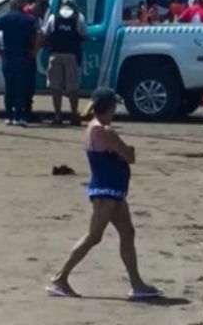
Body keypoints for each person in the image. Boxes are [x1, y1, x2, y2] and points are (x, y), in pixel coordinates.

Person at [47, 88, 160, 300]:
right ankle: (59, 279)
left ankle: (137, 284)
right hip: (106, 191)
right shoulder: (105, 131)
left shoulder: (93, 127)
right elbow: (129, 156)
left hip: (113, 190)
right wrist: (130, 152)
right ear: (108, 107)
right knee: (93, 237)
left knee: (128, 233)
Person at [0, 0, 41, 127]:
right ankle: (19, 116)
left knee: (9, 88)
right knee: (21, 88)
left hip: (9, 57)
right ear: (22, 5)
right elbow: (39, 34)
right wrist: (35, 50)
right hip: (23, 57)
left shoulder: (6, 18)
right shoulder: (30, 19)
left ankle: (9, 116)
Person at [44, 0, 87, 126]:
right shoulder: (78, 18)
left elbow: (46, 33)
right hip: (72, 55)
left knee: (56, 87)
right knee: (73, 87)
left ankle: (57, 116)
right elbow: (84, 34)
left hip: (55, 54)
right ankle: (74, 115)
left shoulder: (53, 17)